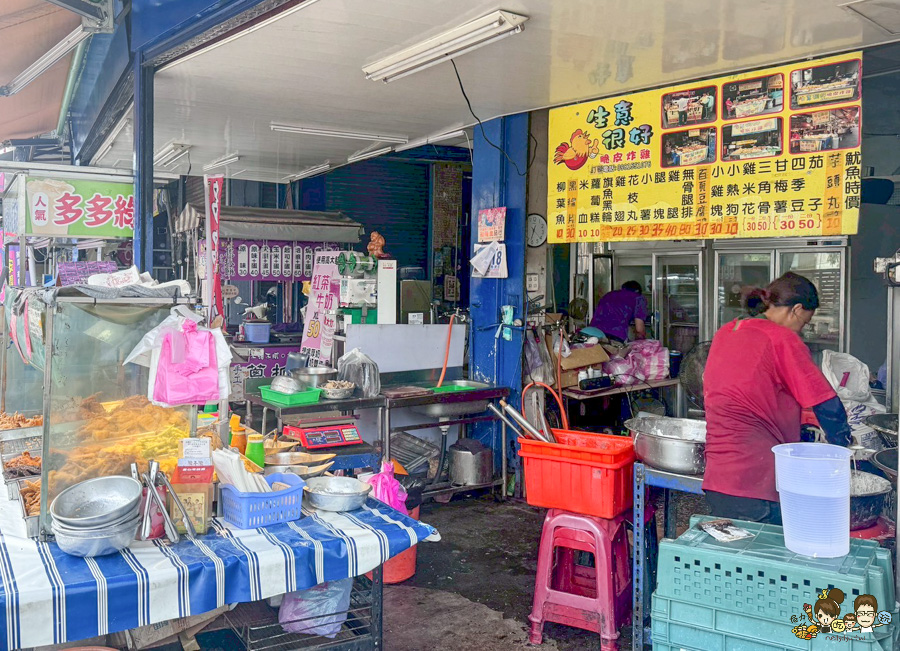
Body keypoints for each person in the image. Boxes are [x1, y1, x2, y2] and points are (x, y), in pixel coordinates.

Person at [702, 273, 851, 524]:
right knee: (766, 557)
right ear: (796, 309)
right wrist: (844, 445)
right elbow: (825, 402)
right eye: (805, 322)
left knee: (734, 557)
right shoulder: (780, 338)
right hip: (757, 481)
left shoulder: (727, 331)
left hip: (718, 479)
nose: (801, 330)